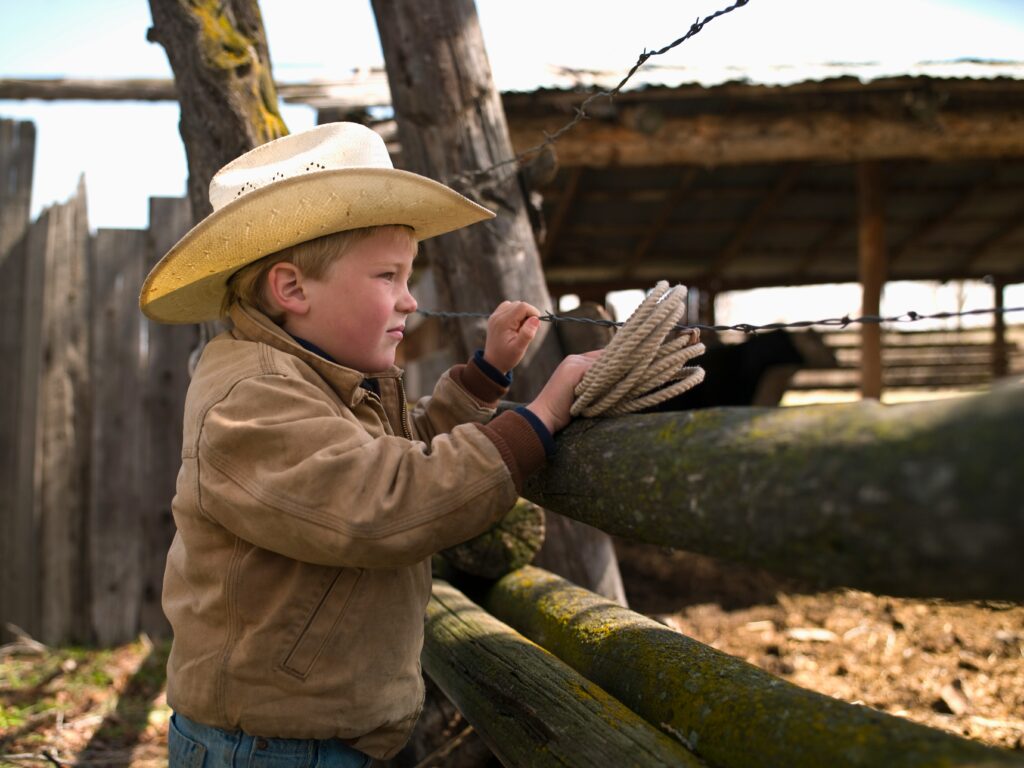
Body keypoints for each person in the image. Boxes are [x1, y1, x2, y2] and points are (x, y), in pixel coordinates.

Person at [140, 122, 600, 767]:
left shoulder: (318, 380)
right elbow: (383, 504)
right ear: (293, 290)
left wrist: (484, 377)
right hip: (273, 748)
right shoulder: (251, 399)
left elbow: (399, 459)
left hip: (311, 735)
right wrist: (542, 415)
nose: (410, 300)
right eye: (389, 275)